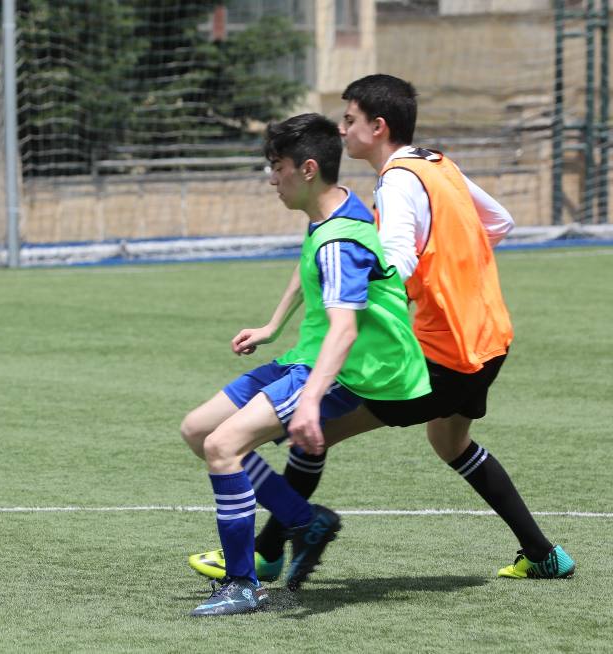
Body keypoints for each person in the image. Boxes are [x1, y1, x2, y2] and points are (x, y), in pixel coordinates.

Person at [188, 74, 574, 584]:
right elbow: (499, 222)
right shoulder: (437, 163)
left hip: (442, 353)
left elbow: (395, 260)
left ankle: (268, 551)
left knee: (310, 431)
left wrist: (376, 291)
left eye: (349, 120)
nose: (342, 130)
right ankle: (544, 555)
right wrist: (451, 271)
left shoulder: (395, 182)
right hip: (489, 337)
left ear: (378, 127)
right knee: (451, 443)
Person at [183, 113, 431, 616]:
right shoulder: (332, 211)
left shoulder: (340, 241)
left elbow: (344, 329)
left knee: (222, 447)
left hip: (347, 368)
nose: (272, 179)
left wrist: (311, 401)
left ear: (308, 168)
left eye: (278, 168)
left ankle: (243, 583)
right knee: (198, 429)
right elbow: (309, 271)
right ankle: (304, 520)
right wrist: (273, 325)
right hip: (306, 355)